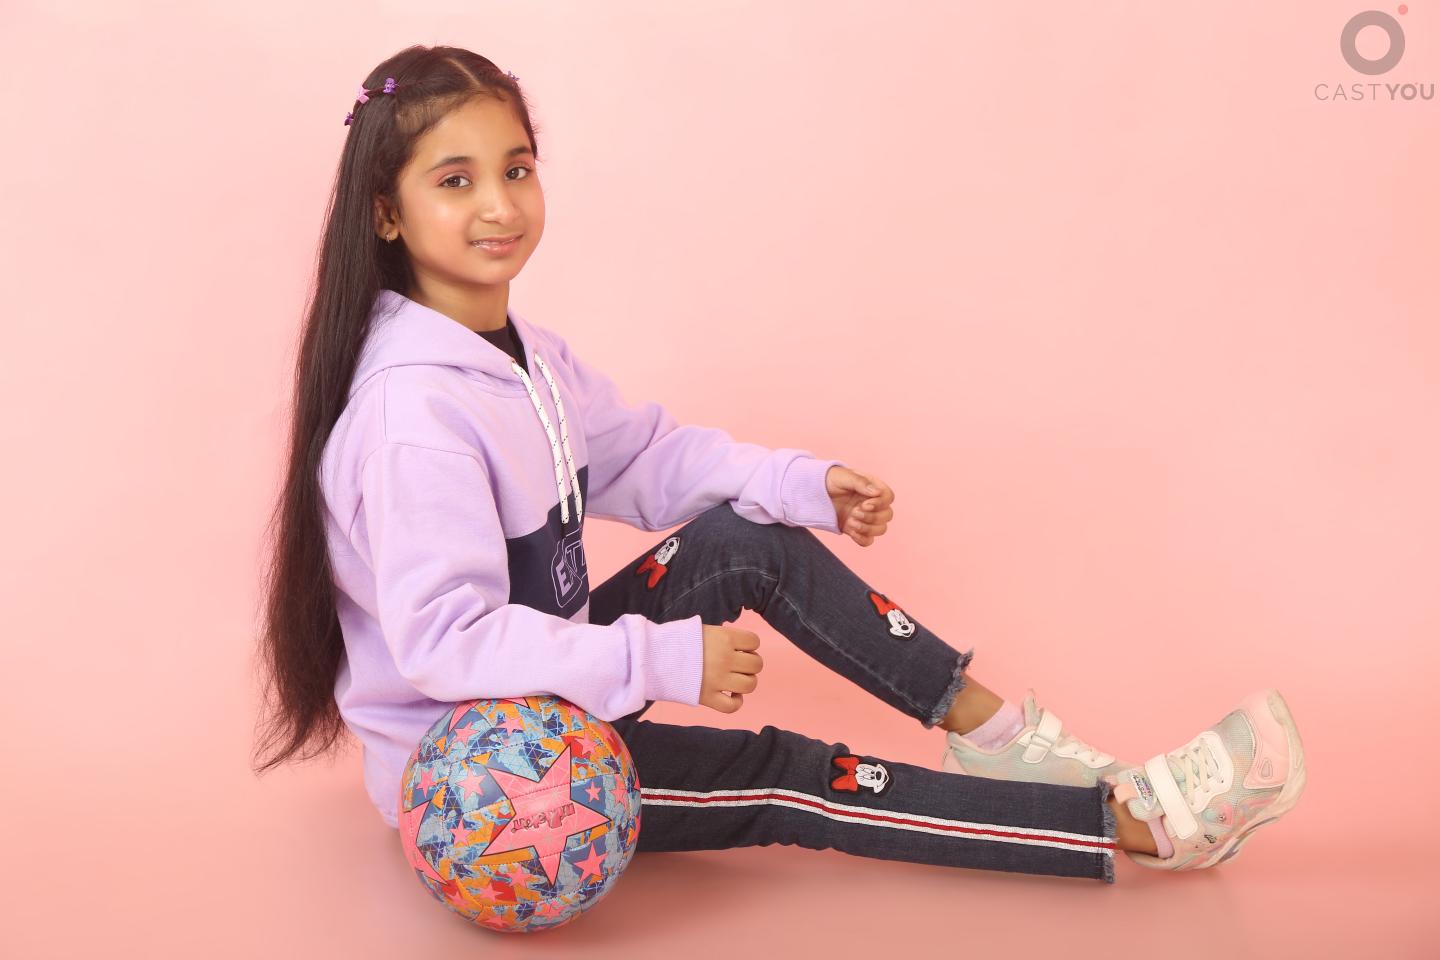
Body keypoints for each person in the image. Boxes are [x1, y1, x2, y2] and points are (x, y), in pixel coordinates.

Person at [252, 44, 1306, 889]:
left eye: (517, 169)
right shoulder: (414, 416)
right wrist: (659, 663)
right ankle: (1122, 824)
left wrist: (801, 484)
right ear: (386, 213)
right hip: (479, 780)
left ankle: (1004, 736)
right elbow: (445, 644)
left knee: (741, 538)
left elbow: (645, 455)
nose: (500, 204)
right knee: (793, 774)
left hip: (540, 697)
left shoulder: (522, 358)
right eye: (456, 180)